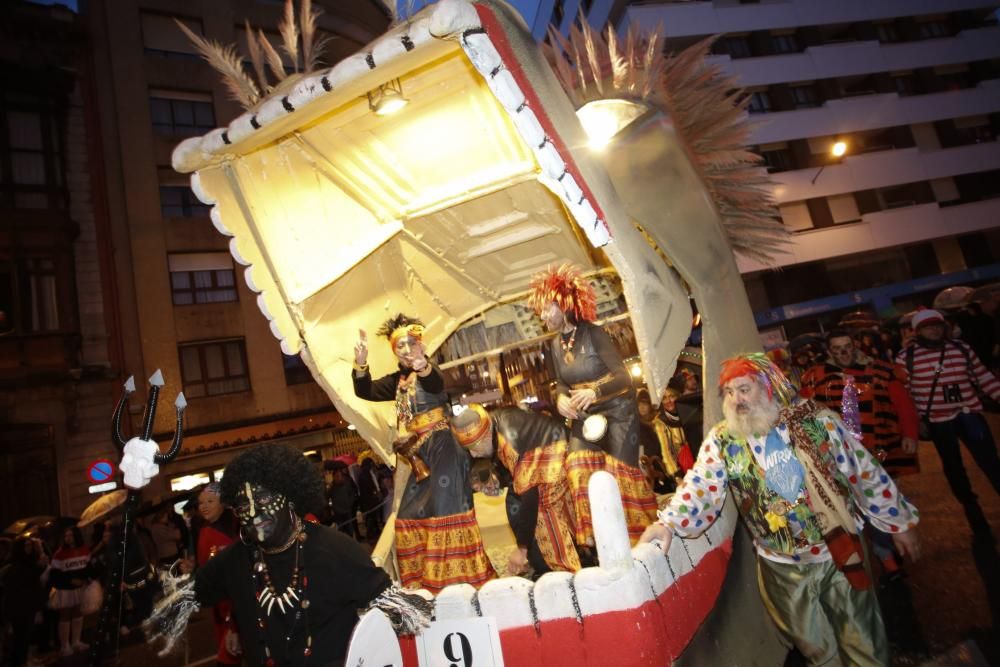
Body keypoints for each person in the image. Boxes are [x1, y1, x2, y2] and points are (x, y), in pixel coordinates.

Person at [641, 353, 921, 666]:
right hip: (781, 566)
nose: (737, 400)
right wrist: (667, 523)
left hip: (838, 553)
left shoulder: (817, 422)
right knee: (815, 647)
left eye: (744, 389)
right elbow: (700, 487)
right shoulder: (722, 441)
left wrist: (899, 523)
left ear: (768, 388)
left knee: (863, 642)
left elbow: (864, 471)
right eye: (729, 393)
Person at [145, 444, 431, 666]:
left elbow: (405, 611)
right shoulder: (235, 559)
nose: (254, 514)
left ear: (290, 499)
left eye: (264, 500)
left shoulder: (335, 549)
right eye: (244, 505)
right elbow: (178, 602)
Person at [352, 314, 494, 592]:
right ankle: (425, 584)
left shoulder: (429, 370)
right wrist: (361, 362)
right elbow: (365, 390)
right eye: (399, 346)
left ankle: (461, 582)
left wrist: (424, 366)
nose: (406, 350)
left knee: (446, 511)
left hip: (444, 448)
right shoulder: (397, 380)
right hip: (420, 455)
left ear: (421, 345)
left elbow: (436, 384)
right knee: (409, 515)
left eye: (410, 343)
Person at [528, 264, 658, 546]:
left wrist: (594, 391)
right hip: (585, 417)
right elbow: (560, 381)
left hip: (618, 413)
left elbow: (624, 378)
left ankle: (643, 541)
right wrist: (560, 397)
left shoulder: (594, 334)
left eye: (546, 308)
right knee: (577, 469)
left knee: (620, 477)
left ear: (564, 305)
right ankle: (602, 539)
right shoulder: (553, 345)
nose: (542, 315)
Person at [895, 308, 1000, 540]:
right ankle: (972, 511)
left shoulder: (961, 349)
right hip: (938, 421)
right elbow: (904, 394)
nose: (934, 330)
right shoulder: (906, 358)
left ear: (945, 327)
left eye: (937, 325)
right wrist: (914, 422)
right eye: (928, 326)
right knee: (954, 468)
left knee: (991, 461)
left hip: (968, 413)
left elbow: (982, 377)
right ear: (917, 331)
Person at [452, 404, 582, 577]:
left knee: (544, 508)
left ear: (485, 436)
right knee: (513, 502)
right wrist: (497, 480)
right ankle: (547, 563)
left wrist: (521, 548)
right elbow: (515, 471)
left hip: (560, 452)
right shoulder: (494, 426)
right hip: (550, 455)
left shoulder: (508, 441)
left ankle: (566, 573)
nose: (474, 455)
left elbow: (531, 498)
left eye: (474, 449)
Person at [180, 484, 241, 666]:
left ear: (223, 502)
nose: (204, 506)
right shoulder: (204, 531)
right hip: (221, 606)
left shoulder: (239, 525)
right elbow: (205, 569)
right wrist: (192, 568)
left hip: (240, 603)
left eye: (210, 501)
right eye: (200, 503)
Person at [2, 537, 49, 667]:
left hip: (27, 605)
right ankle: (21, 662)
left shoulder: (27, 561)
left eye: (30, 545)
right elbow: (35, 571)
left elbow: (40, 567)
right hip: (20, 607)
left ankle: (25, 659)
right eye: (26, 545)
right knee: (20, 637)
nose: (29, 548)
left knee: (26, 635)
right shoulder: (16, 565)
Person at [49, 527, 91, 656]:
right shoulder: (59, 553)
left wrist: (84, 579)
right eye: (66, 536)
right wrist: (70, 581)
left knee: (78, 613)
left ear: (76, 536)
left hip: (80, 588)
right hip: (66, 590)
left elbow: (88, 567)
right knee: (65, 615)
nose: (68, 538)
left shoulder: (84, 549)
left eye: (70, 536)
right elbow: (55, 575)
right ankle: (64, 645)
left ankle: (76, 641)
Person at [325, 461, 360, 539]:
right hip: (339, 512)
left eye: (339, 475)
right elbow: (327, 496)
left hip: (346, 510)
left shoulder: (347, 483)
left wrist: (350, 503)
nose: (338, 477)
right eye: (336, 476)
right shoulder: (332, 487)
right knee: (342, 531)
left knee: (349, 530)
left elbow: (352, 494)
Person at [357, 458, 385, 544]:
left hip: (371, 500)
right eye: (370, 464)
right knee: (370, 517)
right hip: (368, 501)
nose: (371, 466)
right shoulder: (363, 475)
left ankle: (375, 531)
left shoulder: (368, 473)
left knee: (373, 516)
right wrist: (374, 492)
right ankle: (370, 534)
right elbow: (367, 488)